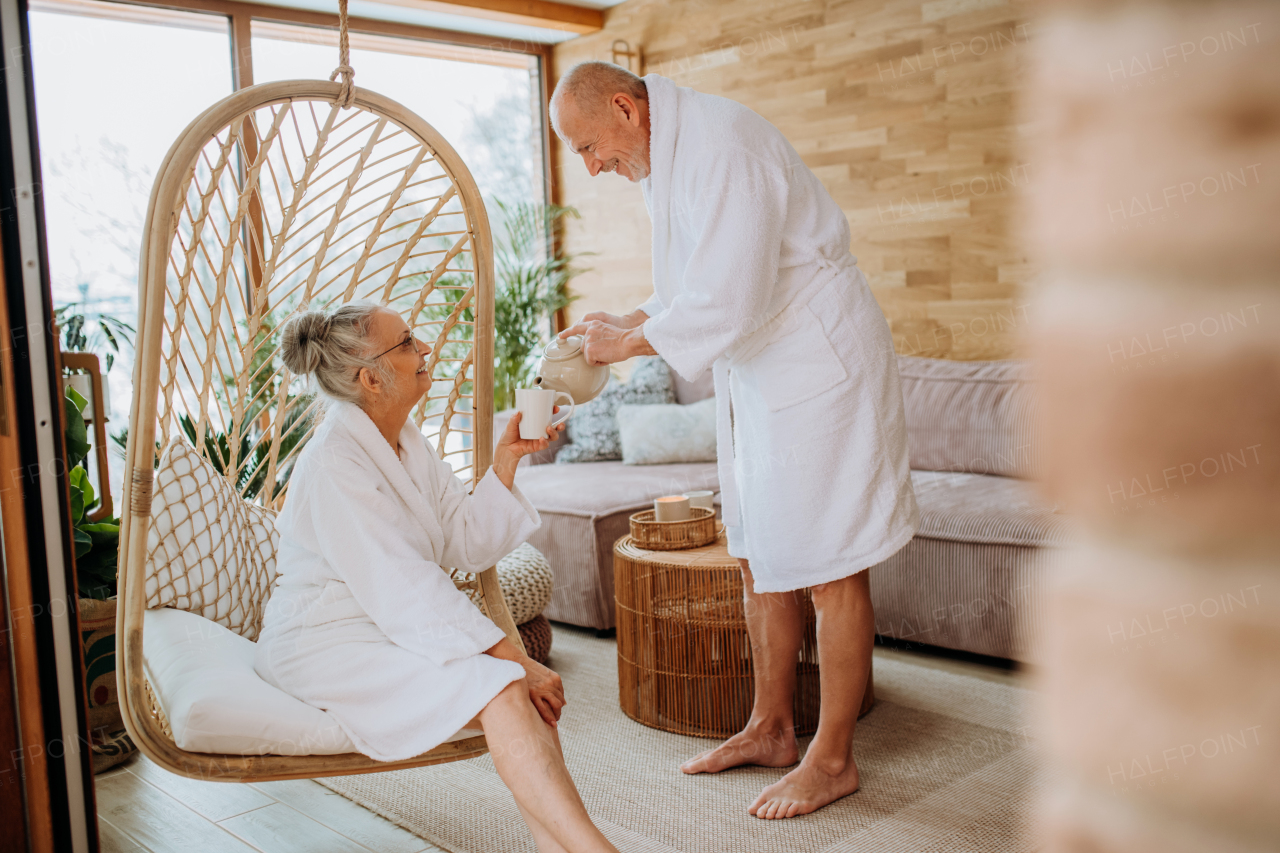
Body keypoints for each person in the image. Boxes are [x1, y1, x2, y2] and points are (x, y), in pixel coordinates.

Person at [551, 62, 920, 820]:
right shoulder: (668, 158)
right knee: (759, 554)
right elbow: (694, 287)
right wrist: (621, 321)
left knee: (831, 564)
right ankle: (772, 726)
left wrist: (625, 349)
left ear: (625, 108)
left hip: (820, 363)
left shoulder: (724, 145)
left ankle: (834, 756)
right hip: (759, 372)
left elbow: (731, 297)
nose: (592, 168)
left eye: (590, 147)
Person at [254, 301, 618, 853]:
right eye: (405, 343)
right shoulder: (335, 461)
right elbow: (404, 586)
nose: (424, 348)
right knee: (508, 683)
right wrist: (516, 659)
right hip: (325, 643)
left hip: (386, 626)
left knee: (514, 686)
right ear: (369, 378)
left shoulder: (407, 442)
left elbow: (464, 541)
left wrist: (505, 462)